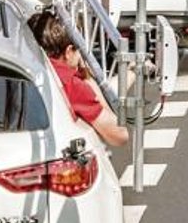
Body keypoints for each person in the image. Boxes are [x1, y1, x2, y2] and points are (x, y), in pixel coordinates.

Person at [28, 10, 129, 147]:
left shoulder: (34, 66)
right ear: (69, 52)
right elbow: (120, 135)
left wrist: (131, 72)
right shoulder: (71, 84)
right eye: (79, 49)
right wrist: (88, 78)